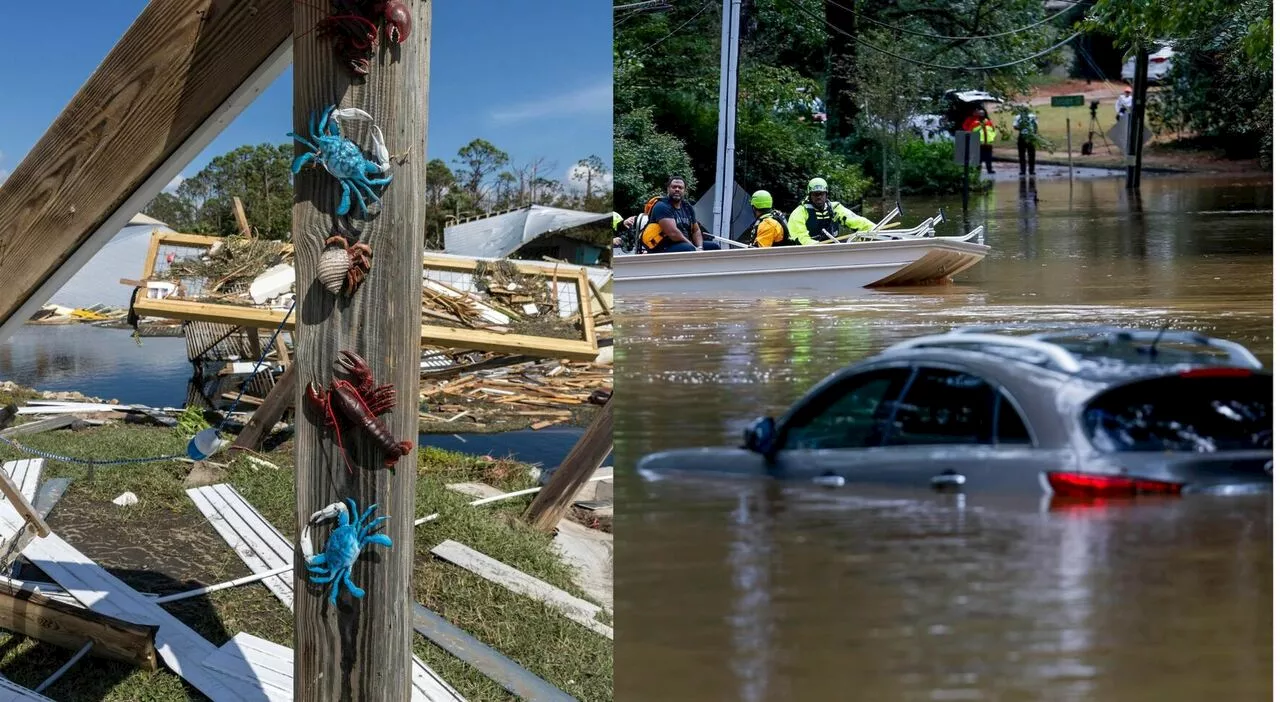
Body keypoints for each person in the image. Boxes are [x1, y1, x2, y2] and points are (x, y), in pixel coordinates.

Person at [786, 178, 876, 244]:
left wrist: (875, 229)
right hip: (809, 251)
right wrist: (814, 245)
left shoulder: (835, 208)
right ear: (810, 195)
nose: (819, 197)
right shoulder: (800, 212)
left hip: (831, 247)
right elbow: (799, 236)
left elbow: (857, 221)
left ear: (826, 194)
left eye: (821, 193)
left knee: (857, 239)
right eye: (815, 194)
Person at [638, 176, 702, 253]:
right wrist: (694, 248)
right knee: (689, 249)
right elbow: (673, 233)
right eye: (674, 187)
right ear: (668, 189)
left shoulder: (687, 207)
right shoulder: (661, 206)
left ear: (685, 191)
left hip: (683, 244)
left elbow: (696, 230)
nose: (677, 189)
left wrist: (700, 247)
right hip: (662, 247)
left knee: (713, 246)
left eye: (680, 188)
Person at [1012, 105, 1038, 176]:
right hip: (1024, 136)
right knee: (1023, 154)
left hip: (1029, 136)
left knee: (1029, 154)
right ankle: (1025, 170)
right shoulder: (1019, 117)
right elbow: (1015, 126)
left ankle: (1029, 170)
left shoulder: (1032, 116)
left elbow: (1035, 126)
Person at [972, 108, 997, 175]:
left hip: (988, 143)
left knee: (988, 158)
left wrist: (992, 138)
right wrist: (980, 126)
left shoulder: (988, 122)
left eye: (982, 114)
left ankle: (990, 170)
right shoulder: (975, 122)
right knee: (979, 158)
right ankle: (977, 171)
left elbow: (993, 131)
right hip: (980, 143)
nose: (981, 115)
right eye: (980, 114)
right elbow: (973, 131)